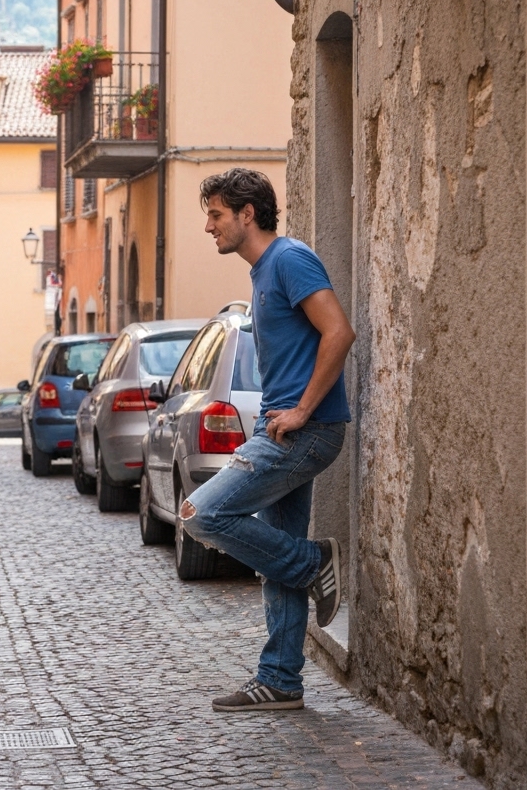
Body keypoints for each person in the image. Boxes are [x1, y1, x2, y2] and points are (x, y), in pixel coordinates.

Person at [179, 168, 355, 712]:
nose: (209, 227)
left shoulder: (289, 259)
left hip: (305, 431)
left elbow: (339, 331)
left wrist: (303, 409)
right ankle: (281, 679)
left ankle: (312, 561)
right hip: (279, 428)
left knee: (200, 515)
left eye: (215, 215)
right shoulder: (261, 272)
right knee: (274, 555)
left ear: (246, 213)